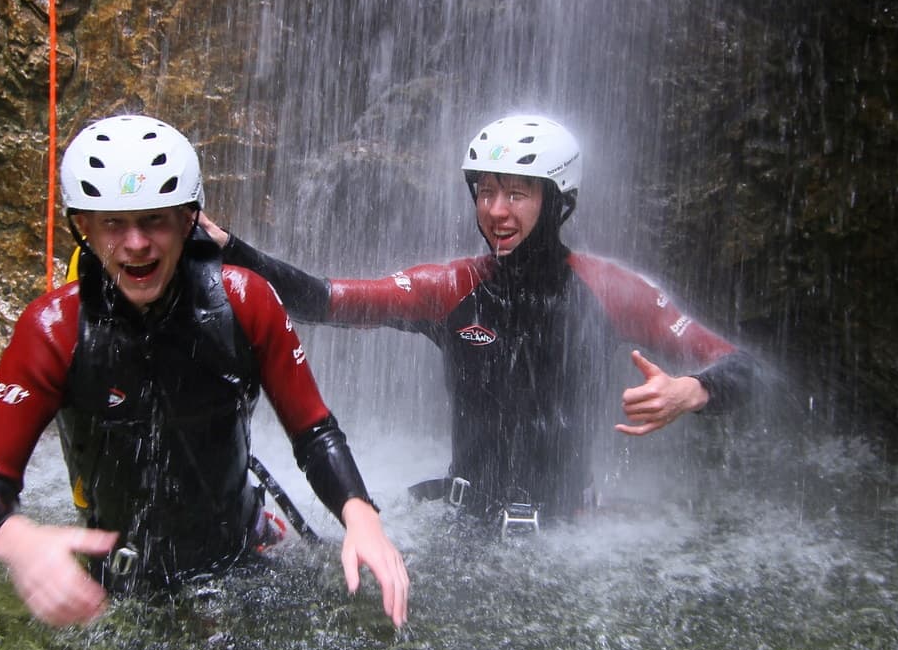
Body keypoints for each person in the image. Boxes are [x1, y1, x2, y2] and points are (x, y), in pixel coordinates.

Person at [0, 114, 409, 628]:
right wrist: (15, 537)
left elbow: (312, 430)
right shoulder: (52, 329)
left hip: (244, 555)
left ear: (188, 218)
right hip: (121, 579)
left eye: (154, 219)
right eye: (113, 223)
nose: (135, 243)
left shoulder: (246, 301)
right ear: (82, 226)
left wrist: (360, 514)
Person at [200, 114, 755, 525]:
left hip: (568, 533)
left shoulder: (609, 291)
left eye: (516, 192)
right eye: (485, 191)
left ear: (558, 200)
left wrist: (692, 391)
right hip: (467, 527)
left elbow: (741, 366)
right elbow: (326, 300)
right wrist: (237, 252)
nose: (495, 210)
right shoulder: (450, 288)